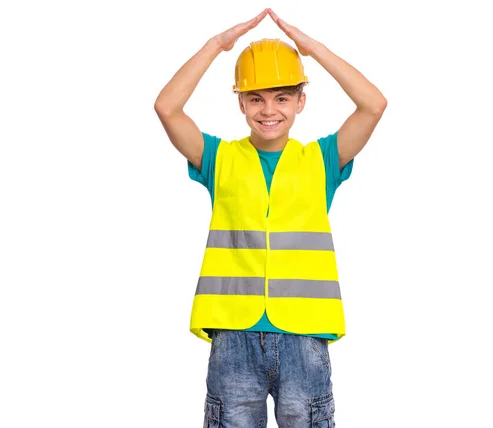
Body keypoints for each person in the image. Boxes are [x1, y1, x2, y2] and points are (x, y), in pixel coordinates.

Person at [154, 8, 387, 427]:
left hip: (304, 337)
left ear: (301, 100)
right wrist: (216, 45)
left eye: (282, 97)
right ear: (241, 102)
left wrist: (313, 50)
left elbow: (374, 105)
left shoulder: (322, 160)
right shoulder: (218, 158)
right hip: (233, 337)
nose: (268, 110)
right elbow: (167, 107)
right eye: (256, 98)